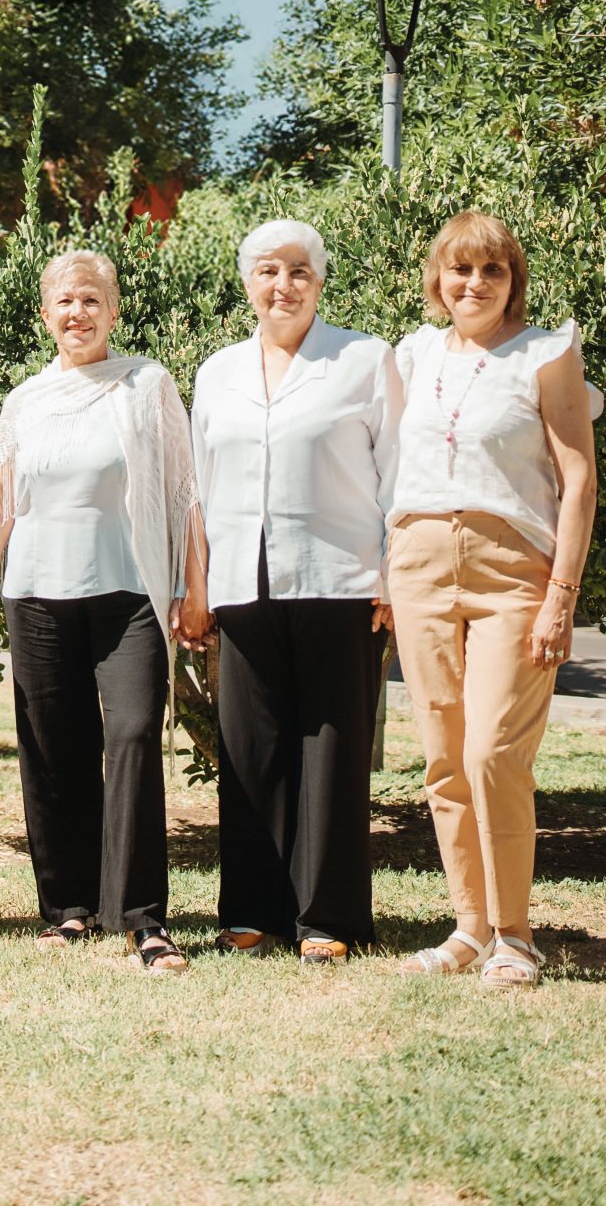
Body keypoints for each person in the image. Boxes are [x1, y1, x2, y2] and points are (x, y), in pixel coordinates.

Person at [0, 250, 207, 973]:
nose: (78, 313)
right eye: (65, 301)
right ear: (45, 314)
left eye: (92, 299)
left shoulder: (145, 383)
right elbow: (1, 502)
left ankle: (140, 916)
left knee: (130, 735)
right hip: (36, 596)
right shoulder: (25, 399)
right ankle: (68, 906)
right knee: (53, 750)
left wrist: (194, 585)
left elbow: (187, 490)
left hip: (129, 596)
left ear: (114, 309)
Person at [388, 212, 598, 990]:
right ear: (437, 279)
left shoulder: (547, 352)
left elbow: (578, 479)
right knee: (444, 758)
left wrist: (560, 597)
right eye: (459, 270)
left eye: (491, 271)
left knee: (492, 752)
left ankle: (516, 935)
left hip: (515, 569)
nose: (473, 284)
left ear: (513, 282)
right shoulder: (412, 352)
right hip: (417, 562)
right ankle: (469, 927)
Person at [188, 220, 401, 963]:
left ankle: (328, 919)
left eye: (299, 271)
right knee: (249, 753)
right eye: (268, 271)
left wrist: (395, 573)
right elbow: (199, 489)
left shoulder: (365, 358)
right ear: (248, 281)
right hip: (242, 584)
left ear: (320, 280)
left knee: (332, 750)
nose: (283, 285)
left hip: (341, 581)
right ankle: (252, 910)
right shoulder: (217, 371)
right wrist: (197, 584)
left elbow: (398, 474)